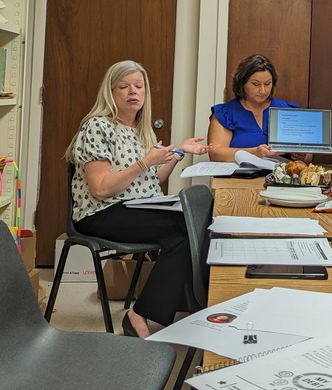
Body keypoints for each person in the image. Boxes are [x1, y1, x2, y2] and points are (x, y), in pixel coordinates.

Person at [64, 60, 210, 338]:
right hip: (100, 213)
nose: (133, 91)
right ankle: (145, 312)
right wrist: (145, 162)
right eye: (124, 86)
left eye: (138, 86)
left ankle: (171, 306)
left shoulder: (142, 130)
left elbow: (152, 180)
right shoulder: (97, 127)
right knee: (184, 229)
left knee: (193, 224)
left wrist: (178, 152)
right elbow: (100, 188)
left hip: (134, 208)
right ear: (111, 91)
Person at [207, 54, 304, 162]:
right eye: (256, 84)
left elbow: (308, 156)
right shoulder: (226, 113)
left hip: (279, 177)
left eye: (267, 84)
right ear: (242, 83)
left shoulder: (286, 110)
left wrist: (301, 154)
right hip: (237, 178)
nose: (263, 91)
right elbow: (215, 154)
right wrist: (254, 152)